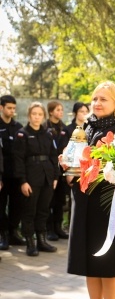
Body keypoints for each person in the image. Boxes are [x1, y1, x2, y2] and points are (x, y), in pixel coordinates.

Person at [62, 81, 115, 299]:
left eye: (104, 98)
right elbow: (76, 163)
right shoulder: (83, 129)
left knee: (109, 266)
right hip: (84, 202)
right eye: (95, 98)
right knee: (90, 264)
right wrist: (67, 163)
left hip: (109, 204)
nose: (97, 103)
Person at [13, 102, 59, 257]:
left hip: (47, 176)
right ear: (29, 115)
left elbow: (53, 155)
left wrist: (55, 177)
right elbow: (18, 159)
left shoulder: (48, 133)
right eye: (34, 114)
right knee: (29, 211)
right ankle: (30, 243)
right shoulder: (22, 134)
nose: (37, 117)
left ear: (44, 116)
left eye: (40, 114)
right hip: (31, 177)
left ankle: (42, 240)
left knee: (43, 210)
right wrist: (22, 181)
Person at [0, 95, 25, 250]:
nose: (12, 111)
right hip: (2, 175)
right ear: (1, 108)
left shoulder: (18, 127)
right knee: (1, 206)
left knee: (17, 205)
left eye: (14, 108)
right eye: (9, 108)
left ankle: (13, 232)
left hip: (16, 174)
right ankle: (3, 234)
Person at [44, 101, 71, 241]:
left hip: (61, 168)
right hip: (49, 168)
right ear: (51, 111)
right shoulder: (45, 127)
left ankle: (58, 227)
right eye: (58, 110)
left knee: (60, 200)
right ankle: (49, 229)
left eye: (61, 110)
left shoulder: (64, 128)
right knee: (49, 200)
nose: (61, 112)